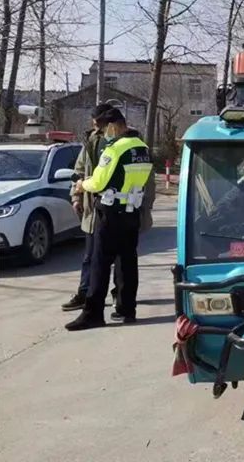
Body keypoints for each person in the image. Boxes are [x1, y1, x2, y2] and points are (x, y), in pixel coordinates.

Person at [65, 108, 152, 331]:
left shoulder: (115, 149)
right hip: (131, 211)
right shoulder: (142, 148)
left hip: (110, 212)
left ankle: (93, 314)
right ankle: (127, 309)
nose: (102, 134)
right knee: (127, 262)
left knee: (100, 264)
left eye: (102, 128)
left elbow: (99, 182)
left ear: (112, 125)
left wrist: (81, 185)